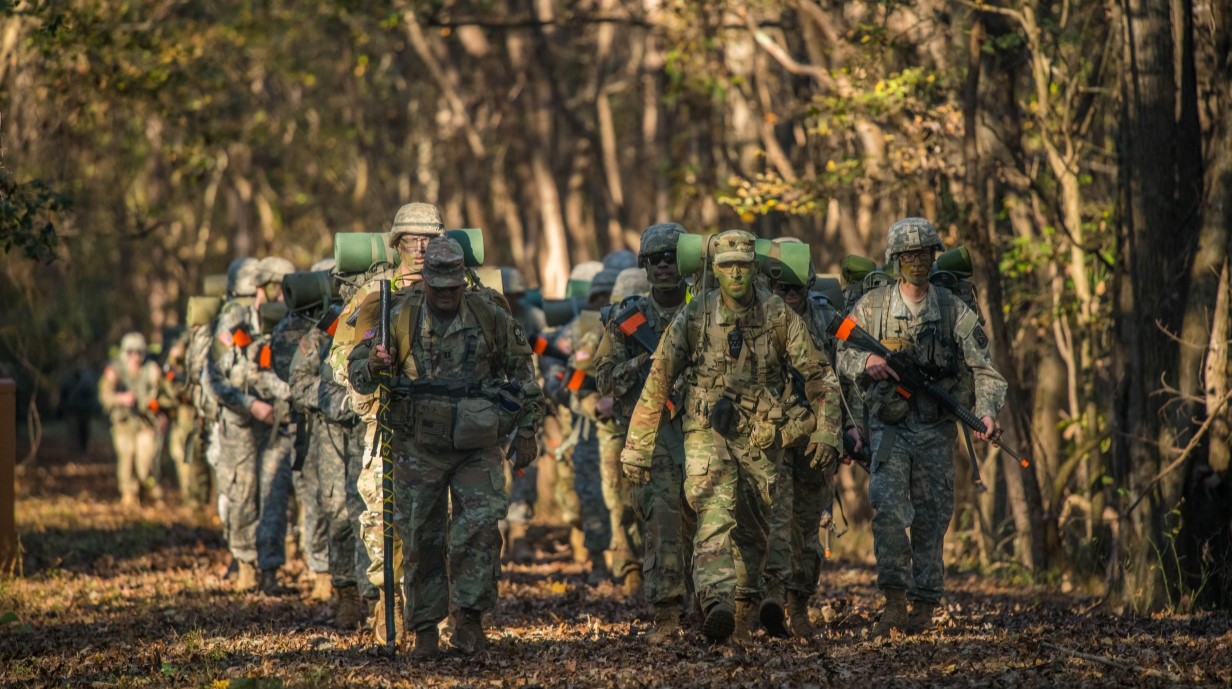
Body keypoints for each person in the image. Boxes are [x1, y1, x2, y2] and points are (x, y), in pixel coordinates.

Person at [620, 230, 842, 643]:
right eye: (727, 267)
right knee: (712, 516)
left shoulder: (778, 316)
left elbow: (819, 377)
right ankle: (715, 601)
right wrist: (638, 447)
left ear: (753, 268)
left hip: (762, 439)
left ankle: (741, 612)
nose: (735, 274)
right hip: (706, 434)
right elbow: (660, 378)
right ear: (716, 271)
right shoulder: (696, 314)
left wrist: (828, 432)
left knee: (754, 531)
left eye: (742, 265)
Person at [350, 236, 543, 658]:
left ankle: (470, 621)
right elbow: (357, 375)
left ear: (461, 283)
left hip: (478, 444)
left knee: (479, 529)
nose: (445, 296)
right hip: (417, 446)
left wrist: (527, 431)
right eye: (437, 288)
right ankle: (424, 629)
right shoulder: (395, 314)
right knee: (420, 536)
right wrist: (373, 364)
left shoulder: (489, 313)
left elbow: (524, 374)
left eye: (452, 288)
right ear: (426, 284)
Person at [836, 217, 1007, 637]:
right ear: (895, 260)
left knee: (932, 517)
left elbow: (985, 370)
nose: (917, 262)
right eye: (909, 255)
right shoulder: (873, 307)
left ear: (934, 256)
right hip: (890, 429)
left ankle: (924, 605)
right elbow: (840, 352)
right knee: (890, 512)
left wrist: (985, 412)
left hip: (935, 429)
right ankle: (894, 602)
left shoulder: (953, 310)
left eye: (924, 254)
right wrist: (868, 363)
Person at [594, 223, 695, 640]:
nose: (665, 266)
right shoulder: (628, 319)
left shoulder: (706, 311)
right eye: (655, 260)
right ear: (644, 267)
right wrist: (648, 364)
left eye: (672, 258)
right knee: (661, 526)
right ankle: (667, 615)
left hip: (703, 430)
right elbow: (603, 380)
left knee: (709, 526)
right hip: (651, 436)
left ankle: (713, 606)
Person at [761, 239, 845, 637]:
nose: (791, 296)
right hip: (772, 437)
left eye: (797, 289)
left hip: (816, 437)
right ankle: (770, 599)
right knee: (773, 523)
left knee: (809, 530)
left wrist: (847, 431)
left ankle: (799, 606)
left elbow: (846, 377)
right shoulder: (757, 318)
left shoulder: (827, 318)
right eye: (783, 289)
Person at [205, 257, 296, 594]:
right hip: (240, 423)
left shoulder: (278, 319)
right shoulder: (232, 319)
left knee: (274, 495)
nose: (267, 294)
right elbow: (214, 379)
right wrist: (251, 405)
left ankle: (270, 569)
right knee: (242, 494)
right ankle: (244, 565)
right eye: (263, 287)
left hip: (274, 421)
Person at [98, 332, 166, 508]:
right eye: (130, 352)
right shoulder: (115, 370)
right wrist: (121, 398)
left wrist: (156, 405)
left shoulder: (151, 370)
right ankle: (129, 493)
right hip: (124, 423)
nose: (135, 357)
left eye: (139, 352)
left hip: (145, 424)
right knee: (126, 457)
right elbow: (104, 395)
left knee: (146, 461)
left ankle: (147, 490)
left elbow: (164, 395)